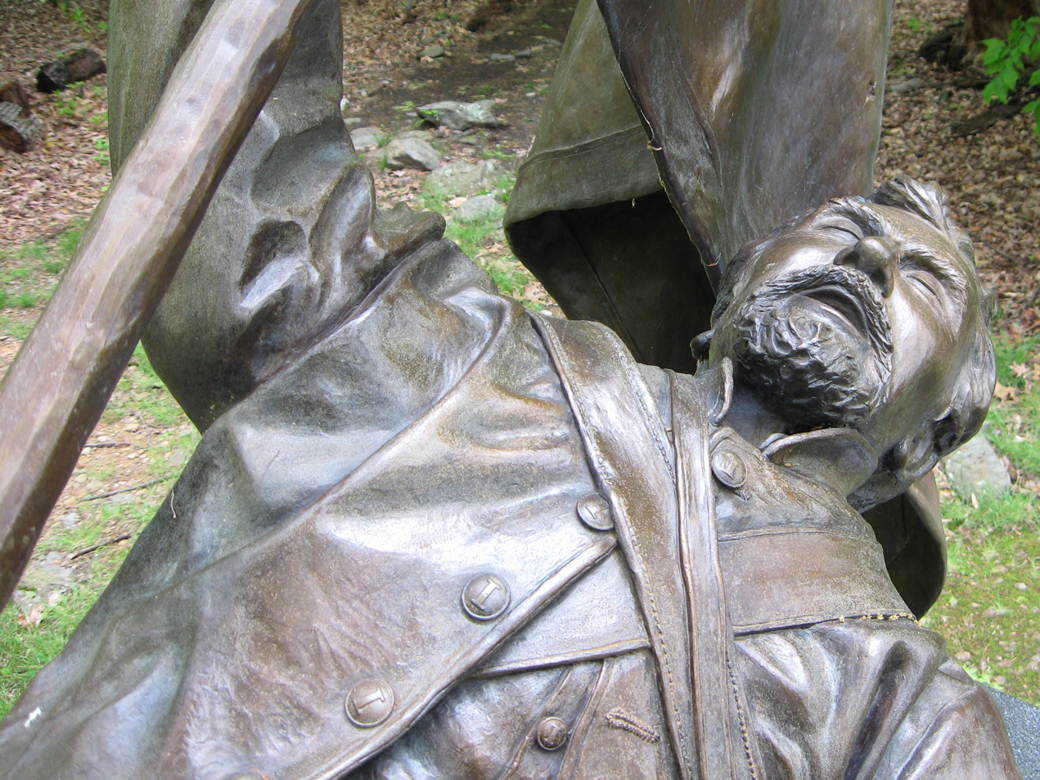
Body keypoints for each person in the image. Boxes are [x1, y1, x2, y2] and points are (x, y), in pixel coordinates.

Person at [0, 0, 1022, 777]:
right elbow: (247, 236)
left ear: (929, 440)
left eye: (921, 280)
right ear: (728, 297)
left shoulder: (903, 716)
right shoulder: (455, 363)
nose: (868, 265)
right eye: (838, 231)